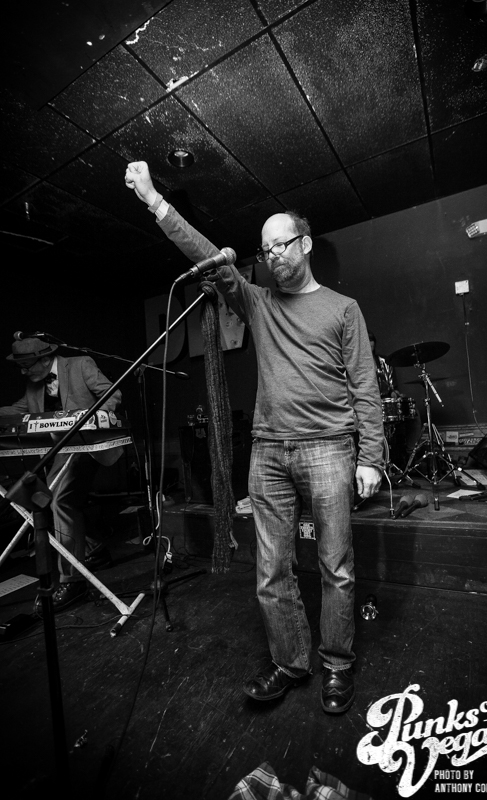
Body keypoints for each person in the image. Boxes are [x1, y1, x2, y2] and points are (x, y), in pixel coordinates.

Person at [125, 161, 384, 714]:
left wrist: (372, 457)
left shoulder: (344, 310)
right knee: (271, 571)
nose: (272, 256)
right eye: (265, 250)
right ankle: (291, 662)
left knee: (336, 566)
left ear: (305, 244)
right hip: (267, 453)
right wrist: (154, 200)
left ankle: (338, 664)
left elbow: (365, 386)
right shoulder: (257, 302)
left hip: (329, 447)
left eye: (281, 245)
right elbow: (205, 254)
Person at [0, 337, 122, 610]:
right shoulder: (34, 384)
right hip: (61, 451)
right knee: (42, 499)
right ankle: (92, 550)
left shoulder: (81, 364)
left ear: (45, 359)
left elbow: (111, 393)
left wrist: (93, 421)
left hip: (89, 445)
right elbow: (17, 410)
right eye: (20, 367)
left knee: (60, 501)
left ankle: (72, 581)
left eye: (27, 365)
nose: (23, 372)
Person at [368, 331, 421, 470]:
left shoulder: (384, 361)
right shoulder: (355, 364)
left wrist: (394, 393)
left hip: (385, 402)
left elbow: (393, 387)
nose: (370, 345)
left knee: (413, 412)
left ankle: (410, 455)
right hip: (368, 403)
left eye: (372, 342)